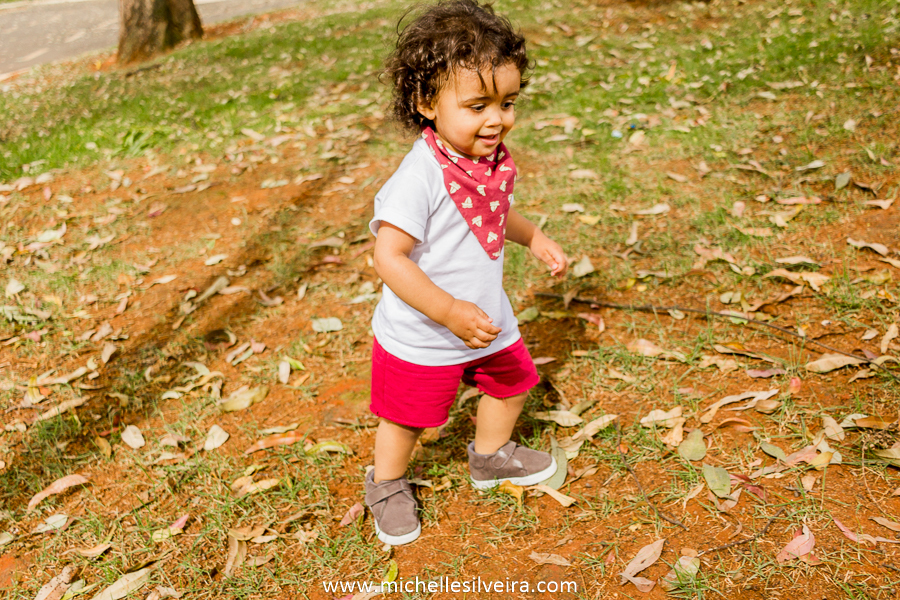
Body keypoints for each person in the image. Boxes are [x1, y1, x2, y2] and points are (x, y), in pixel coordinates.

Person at [365, 0, 569, 546]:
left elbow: (496, 215)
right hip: (426, 331)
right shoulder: (420, 177)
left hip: (485, 318)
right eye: (477, 105)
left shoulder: (486, 163)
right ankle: (386, 484)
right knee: (408, 417)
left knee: (512, 383)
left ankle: (489, 456)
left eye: (507, 102)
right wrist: (447, 311)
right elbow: (389, 257)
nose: (497, 119)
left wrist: (535, 236)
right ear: (426, 102)